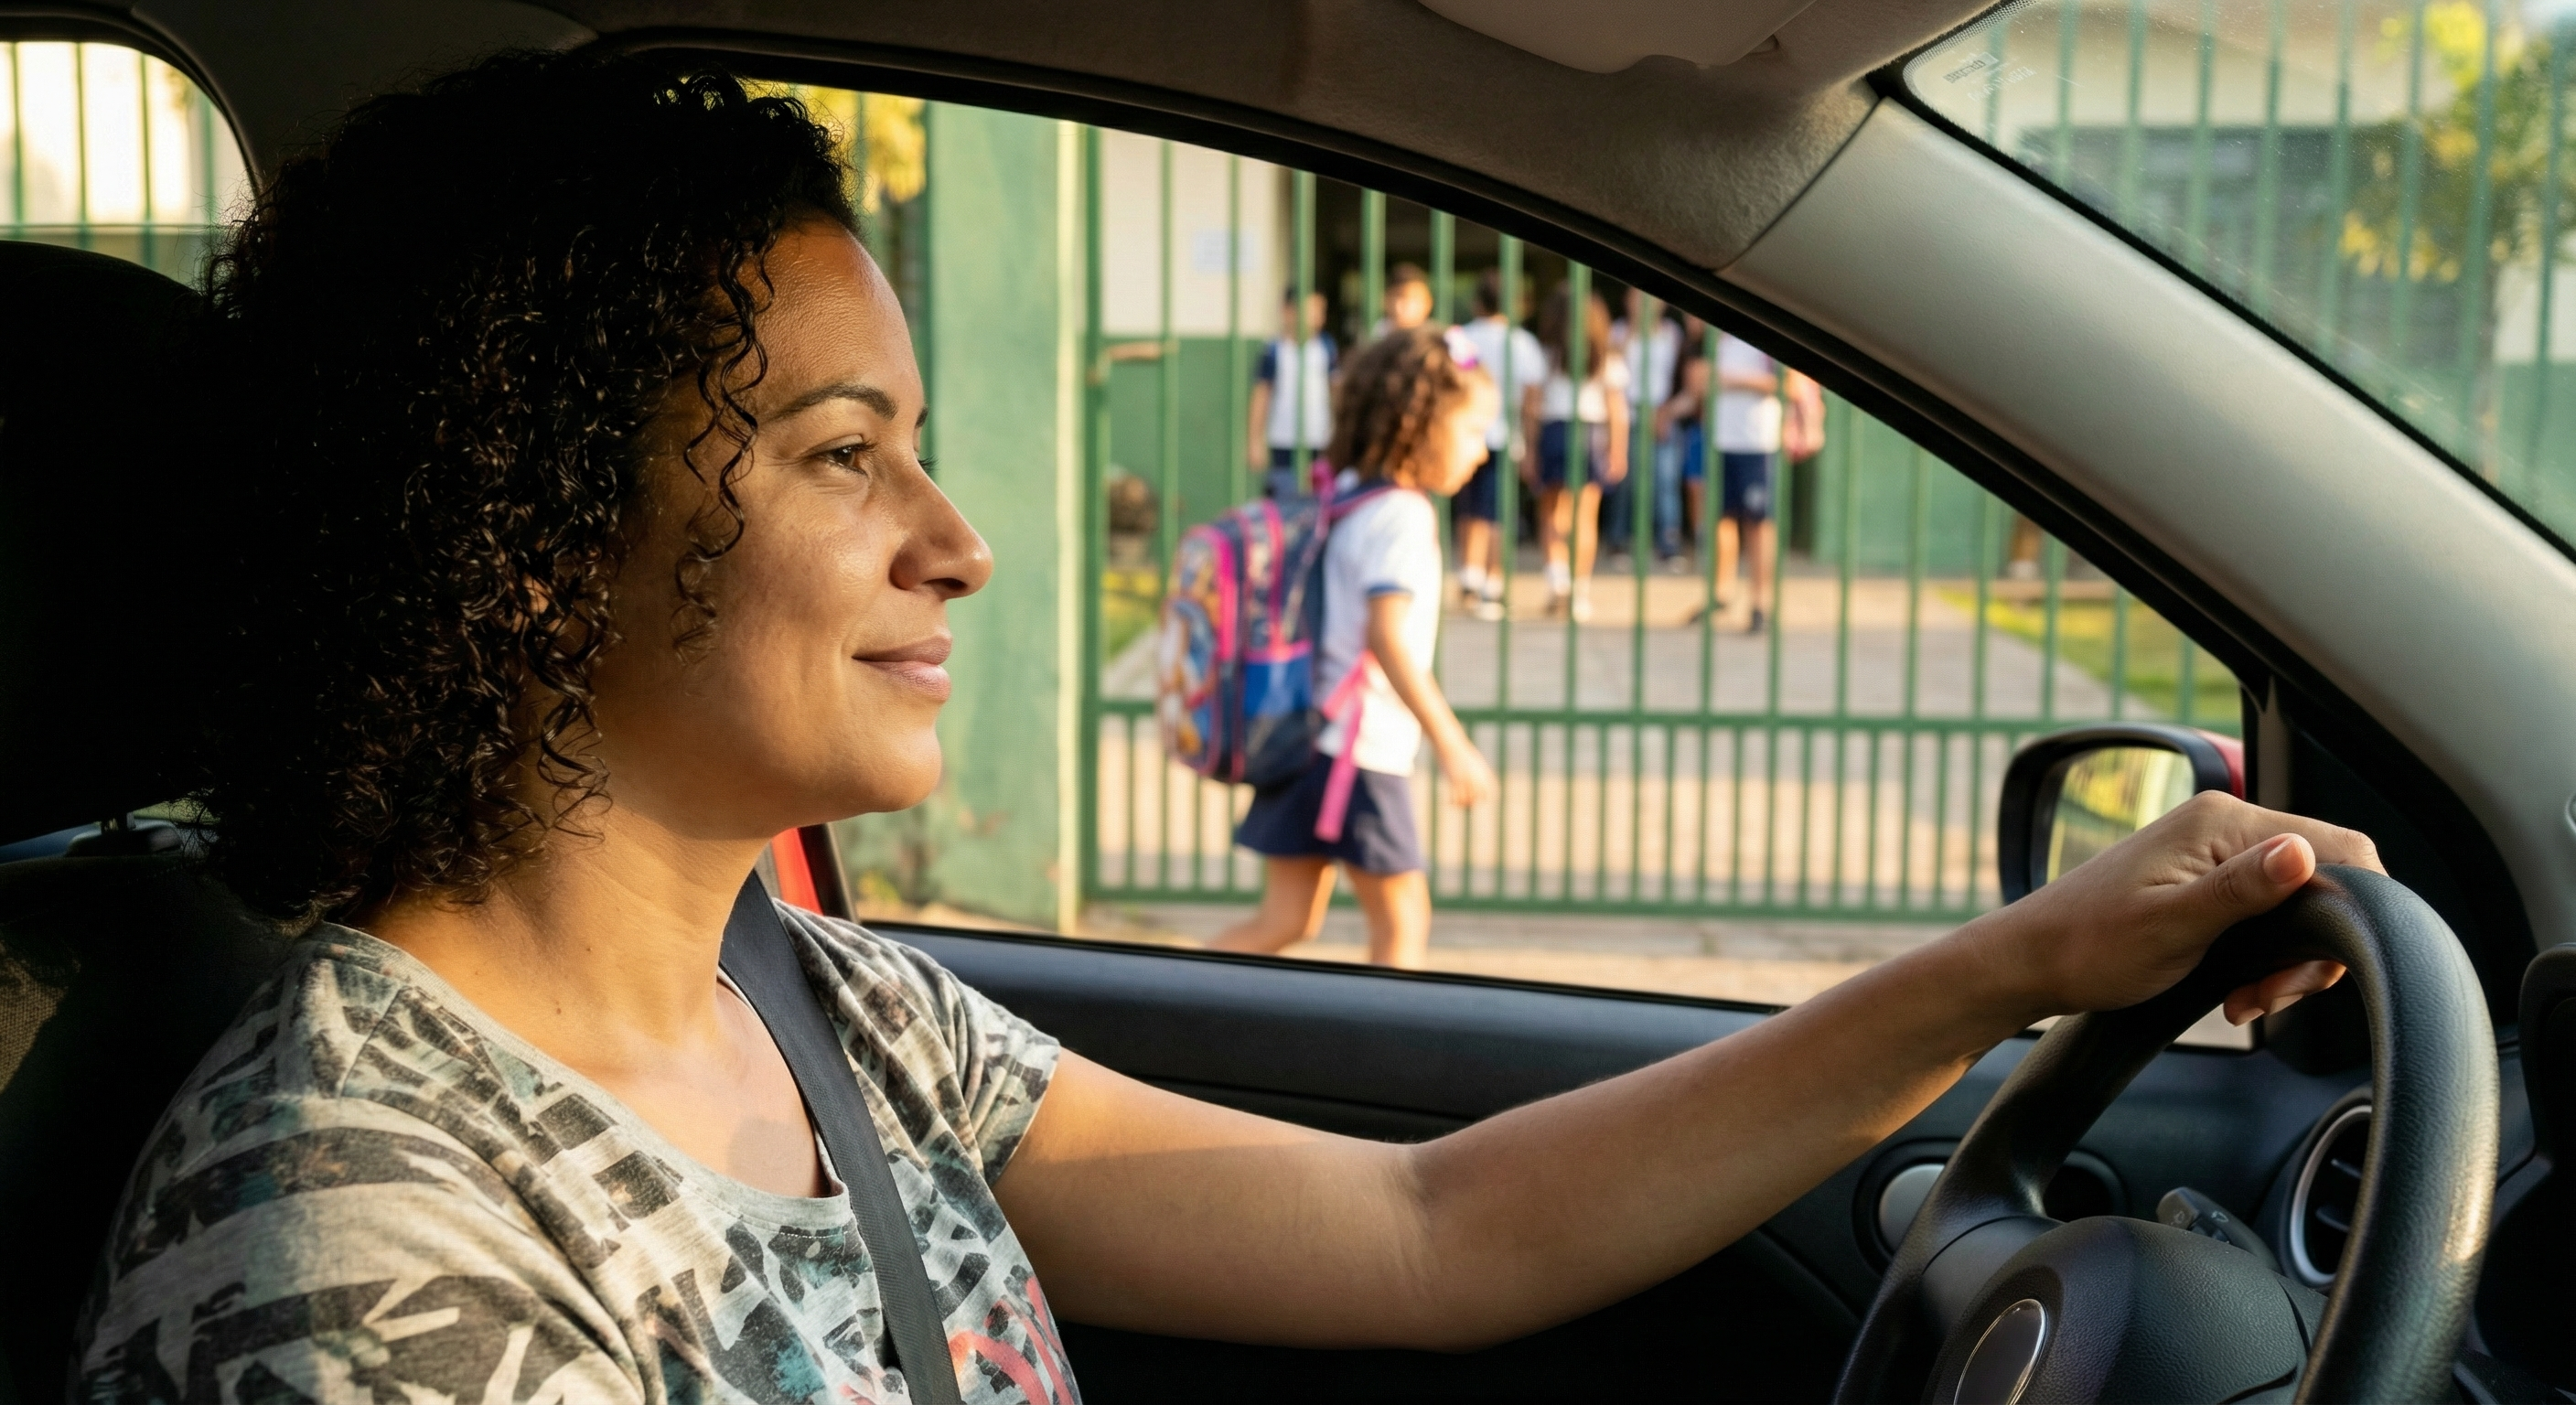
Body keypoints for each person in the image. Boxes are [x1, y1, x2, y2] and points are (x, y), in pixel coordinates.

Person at [76, 51, 2362, 1404]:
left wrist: (2012, 966)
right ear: (543, 535)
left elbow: (1424, 1225)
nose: (957, 540)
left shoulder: (826, 1009)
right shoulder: (351, 1229)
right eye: (846, 453)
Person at [1212, 328, 1498, 970]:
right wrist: (1453, 743)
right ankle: (1395, 1064)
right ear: (1419, 423)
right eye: (1474, 431)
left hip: (1311, 741)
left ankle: (1154, 1001)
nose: (1482, 452)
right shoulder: (1402, 513)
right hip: (1359, 755)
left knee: (1284, 921)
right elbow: (1388, 636)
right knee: (1401, 928)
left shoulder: (1345, 492)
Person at [1525, 284, 1628, 621]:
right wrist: (1618, 450)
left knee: (1551, 511)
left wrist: (1528, 449)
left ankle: (1558, 579)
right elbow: (1617, 410)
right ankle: (1579, 589)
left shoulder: (1544, 354)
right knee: (1585, 516)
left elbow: (1532, 407)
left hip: (1554, 431)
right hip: (1591, 433)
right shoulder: (1606, 356)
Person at [1452, 269, 1545, 620]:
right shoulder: (1521, 342)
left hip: (1465, 436)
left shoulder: (1463, 339)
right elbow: (1532, 401)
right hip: (1505, 435)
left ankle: (1469, 574)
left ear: (1476, 302)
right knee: (1497, 513)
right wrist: (1531, 445)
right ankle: (1493, 581)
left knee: (1469, 507)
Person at [1714, 330, 1787, 632]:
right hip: (1722, 441)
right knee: (1721, 520)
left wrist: (1734, 381)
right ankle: (1721, 592)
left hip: (1758, 443)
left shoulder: (1769, 339)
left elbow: (1788, 385)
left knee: (1758, 525)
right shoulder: (1719, 337)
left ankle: (1760, 602)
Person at [1609, 287, 1684, 566]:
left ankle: (1668, 543)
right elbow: (1612, 366)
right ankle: (1619, 540)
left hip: (1661, 413)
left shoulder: (1672, 334)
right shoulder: (1618, 331)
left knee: (1664, 481)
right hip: (1626, 413)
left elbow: (1679, 375)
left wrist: (1667, 412)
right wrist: (1633, 331)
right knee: (1625, 481)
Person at [1247, 287, 1336, 500]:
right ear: (1288, 311)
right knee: (1285, 499)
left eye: (1320, 311)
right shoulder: (1274, 350)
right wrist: (1254, 441)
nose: (1317, 317)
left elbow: (1335, 390)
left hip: (1320, 438)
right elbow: (1262, 396)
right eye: (1310, 310)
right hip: (1284, 440)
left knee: (1319, 499)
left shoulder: (1326, 347)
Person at [1371, 260, 1434, 338]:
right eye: (1399, 297)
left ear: (1428, 303)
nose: (1406, 305)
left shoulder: (1442, 343)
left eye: (1413, 298)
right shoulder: (1375, 339)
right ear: (1385, 300)